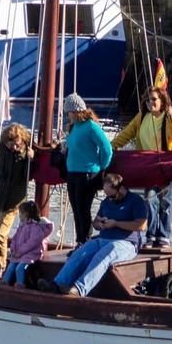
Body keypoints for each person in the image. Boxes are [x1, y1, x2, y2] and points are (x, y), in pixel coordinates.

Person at [39, 173, 147, 296]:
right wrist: (99, 224)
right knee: (81, 253)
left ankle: (79, 289)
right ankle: (57, 284)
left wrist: (116, 224)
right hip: (102, 238)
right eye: (107, 196)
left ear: (121, 189)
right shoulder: (106, 202)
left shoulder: (136, 201)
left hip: (126, 242)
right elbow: (95, 222)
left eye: (112, 196)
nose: (109, 199)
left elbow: (141, 225)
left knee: (104, 254)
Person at [110, 84, 172, 248]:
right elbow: (127, 134)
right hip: (148, 167)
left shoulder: (168, 117)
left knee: (165, 202)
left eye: (154, 99)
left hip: (167, 166)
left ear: (162, 101)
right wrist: (111, 147)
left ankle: (163, 236)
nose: (150, 103)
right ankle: (151, 236)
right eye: (148, 100)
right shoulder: (142, 116)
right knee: (150, 200)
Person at [0, 123, 35, 282]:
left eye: (16, 143)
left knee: (0, 233)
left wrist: (30, 160)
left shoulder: (25, 154)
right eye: (9, 143)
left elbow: (28, 177)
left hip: (13, 201)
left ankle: (1, 266)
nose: (13, 146)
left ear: (22, 140)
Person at [60, 93, 113, 245]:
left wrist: (102, 167)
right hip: (72, 173)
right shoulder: (74, 128)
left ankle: (85, 240)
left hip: (87, 174)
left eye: (69, 112)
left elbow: (106, 148)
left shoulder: (91, 127)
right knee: (76, 209)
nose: (67, 115)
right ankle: (80, 241)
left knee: (83, 209)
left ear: (75, 111)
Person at [3, 200, 53, 288]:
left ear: (25, 214)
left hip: (31, 254)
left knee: (20, 268)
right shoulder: (22, 226)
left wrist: (20, 252)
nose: (19, 216)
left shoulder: (36, 227)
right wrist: (13, 249)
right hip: (19, 253)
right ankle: (4, 282)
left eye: (20, 214)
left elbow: (33, 243)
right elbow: (15, 238)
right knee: (11, 266)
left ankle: (20, 284)